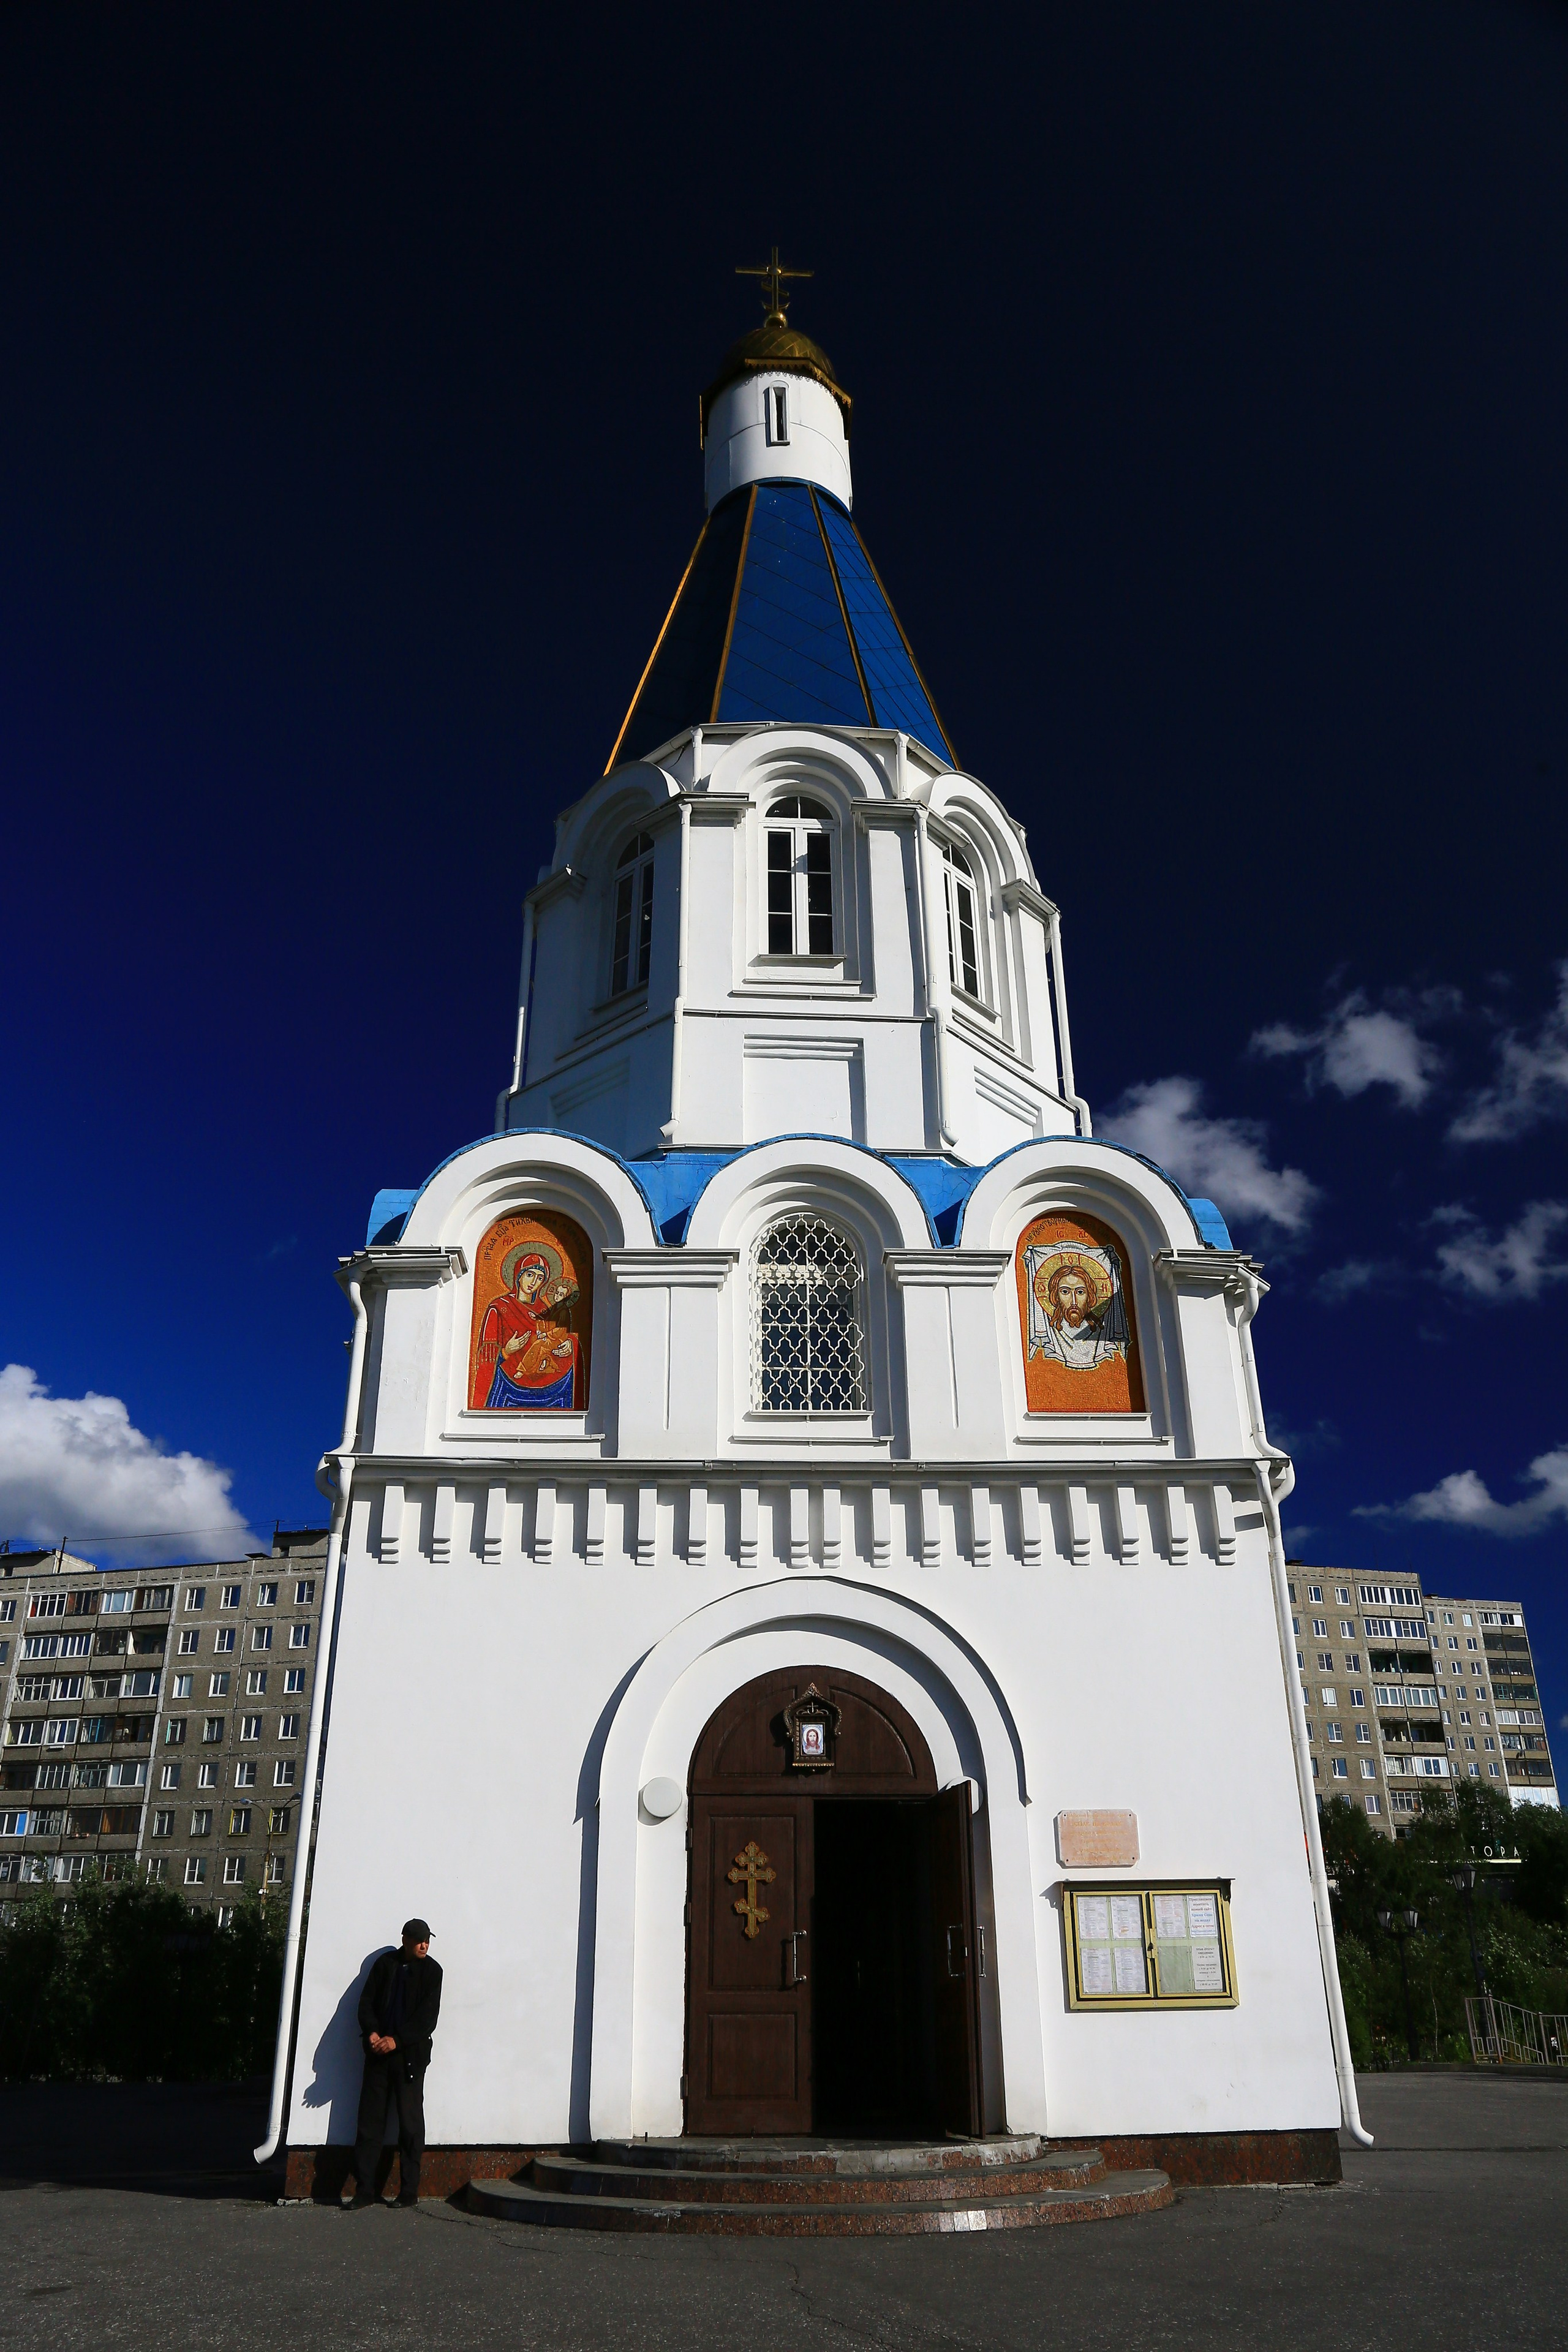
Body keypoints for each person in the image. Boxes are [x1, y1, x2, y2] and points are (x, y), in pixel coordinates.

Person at [348, 1918, 443, 2207]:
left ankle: (409, 2192)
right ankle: (365, 2191)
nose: (424, 1945)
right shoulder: (385, 1964)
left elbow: (427, 2019)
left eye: (427, 1940)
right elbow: (366, 2002)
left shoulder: (432, 1971)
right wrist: (373, 2033)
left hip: (410, 2060)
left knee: (411, 2126)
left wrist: (397, 2040)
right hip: (379, 2057)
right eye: (418, 1940)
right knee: (369, 2124)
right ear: (405, 1940)